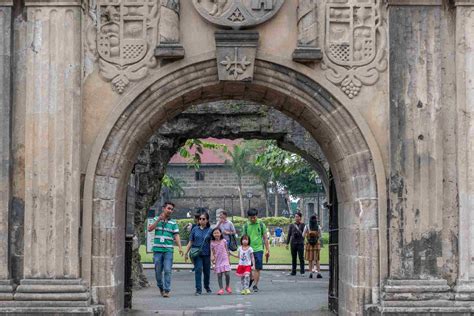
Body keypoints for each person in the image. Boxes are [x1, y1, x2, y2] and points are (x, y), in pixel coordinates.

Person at [147, 201, 184, 298]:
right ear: (164, 208)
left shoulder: (173, 222)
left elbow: (176, 235)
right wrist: (158, 219)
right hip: (157, 250)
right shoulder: (156, 219)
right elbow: (150, 229)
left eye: (172, 209)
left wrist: (180, 247)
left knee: (167, 270)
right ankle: (161, 287)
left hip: (168, 250)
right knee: (158, 271)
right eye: (169, 208)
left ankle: (167, 290)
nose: (170, 210)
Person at [242, 208, 270, 292]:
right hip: (248, 249)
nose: (253, 219)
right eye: (251, 217)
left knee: (257, 268)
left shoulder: (261, 224)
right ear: (248, 217)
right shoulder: (246, 226)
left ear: (256, 216)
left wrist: (268, 250)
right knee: (249, 267)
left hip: (259, 249)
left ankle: (255, 285)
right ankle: (251, 278)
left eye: (254, 217)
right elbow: (243, 238)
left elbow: (265, 238)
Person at [185, 212, 212, 295]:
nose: (201, 220)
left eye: (203, 219)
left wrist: (213, 255)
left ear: (207, 220)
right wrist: (186, 252)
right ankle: (198, 289)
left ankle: (206, 286)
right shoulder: (195, 229)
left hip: (207, 254)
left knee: (207, 272)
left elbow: (212, 244)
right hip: (197, 254)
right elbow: (190, 241)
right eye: (200, 219)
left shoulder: (210, 230)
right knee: (198, 269)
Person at [210, 227, 232, 295]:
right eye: (215, 233)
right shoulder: (212, 243)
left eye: (217, 232)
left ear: (220, 233)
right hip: (218, 260)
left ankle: (227, 286)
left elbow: (227, 250)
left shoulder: (224, 241)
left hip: (225, 259)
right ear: (213, 234)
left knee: (227, 274)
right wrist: (212, 259)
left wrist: (229, 259)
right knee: (219, 275)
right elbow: (211, 252)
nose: (216, 234)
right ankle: (221, 289)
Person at [286, 211, 306, 276]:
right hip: (293, 243)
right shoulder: (292, 225)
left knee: (301, 258)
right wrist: (287, 243)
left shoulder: (303, 225)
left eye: (297, 216)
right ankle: (293, 271)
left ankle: (302, 271)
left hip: (300, 243)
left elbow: (304, 234)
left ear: (300, 217)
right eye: (295, 217)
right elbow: (289, 234)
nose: (296, 218)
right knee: (293, 258)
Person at [304, 214, 322, 279]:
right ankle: (319, 273)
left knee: (310, 259)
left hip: (309, 244)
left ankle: (310, 273)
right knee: (317, 259)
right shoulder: (318, 227)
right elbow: (320, 236)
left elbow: (303, 235)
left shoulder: (307, 226)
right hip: (316, 244)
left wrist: (308, 236)